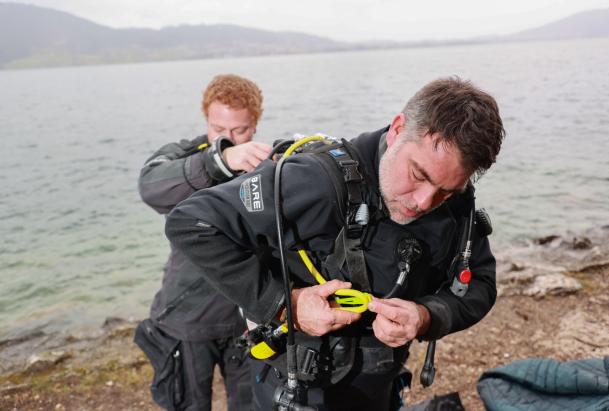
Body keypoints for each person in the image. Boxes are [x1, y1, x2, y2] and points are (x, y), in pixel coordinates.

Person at [165, 77, 505, 410]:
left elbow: (480, 283)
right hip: (296, 389)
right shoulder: (316, 180)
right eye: (418, 175)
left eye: (446, 191)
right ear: (398, 129)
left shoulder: (458, 204)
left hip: (378, 386)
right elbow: (193, 222)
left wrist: (427, 316)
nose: (423, 201)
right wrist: (286, 305)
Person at [135, 74, 271, 411]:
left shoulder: (268, 165)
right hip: (186, 316)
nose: (229, 138)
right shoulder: (182, 157)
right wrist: (220, 161)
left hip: (247, 320)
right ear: (206, 119)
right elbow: (150, 188)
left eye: (239, 130)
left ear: (254, 124)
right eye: (218, 129)